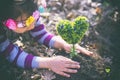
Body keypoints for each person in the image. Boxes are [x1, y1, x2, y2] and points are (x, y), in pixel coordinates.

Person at [0, 0, 93, 78]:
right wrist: (49, 62)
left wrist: (64, 43)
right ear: (7, 22)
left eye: (34, 17)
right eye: (26, 22)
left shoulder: (28, 11)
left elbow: (41, 34)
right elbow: (13, 55)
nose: (32, 25)